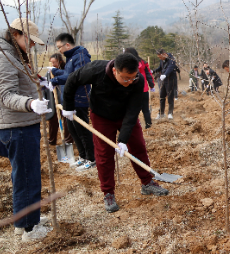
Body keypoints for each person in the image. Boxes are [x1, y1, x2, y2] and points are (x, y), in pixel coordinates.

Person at [61, 52, 169, 213]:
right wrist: (68, 106)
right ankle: (108, 193)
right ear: (115, 71)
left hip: (125, 115)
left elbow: (133, 112)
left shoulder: (137, 81)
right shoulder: (96, 70)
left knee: (138, 146)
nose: (129, 82)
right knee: (104, 154)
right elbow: (72, 80)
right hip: (101, 116)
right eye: (125, 78)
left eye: (132, 78)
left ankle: (147, 182)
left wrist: (123, 139)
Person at [0, 18, 53, 241]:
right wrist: (30, 104)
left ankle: (28, 219)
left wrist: (38, 82)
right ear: (16, 34)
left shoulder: (13, 55)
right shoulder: (4, 57)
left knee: (29, 174)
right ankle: (28, 228)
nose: (32, 45)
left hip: (22, 124)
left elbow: (19, 83)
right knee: (25, 177)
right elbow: (6, 95)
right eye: (30, 41)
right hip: (16, 126)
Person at [49, 33, 95, 171]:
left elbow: (76, 76)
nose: (59, 51)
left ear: (67, 45)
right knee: (73, 131)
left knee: (82, 130)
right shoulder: (70, 58)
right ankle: (82, 157)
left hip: (79, 99)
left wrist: (55, 80)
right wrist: (55, 72)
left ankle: (91, 158)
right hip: (69, 101)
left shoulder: (81, 56)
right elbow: (67, 75)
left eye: (59, 47)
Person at [124, 48, 155, 129]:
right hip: (144, 89)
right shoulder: (143, 62)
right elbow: (149, 74)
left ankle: (136, 126)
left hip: (133, 90)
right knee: (146, 109)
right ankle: (148, 125)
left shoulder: (128, 64)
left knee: (133, 109)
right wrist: (152, 85)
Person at [46, 53, 73, 146]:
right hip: (54, 101)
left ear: (60, 61)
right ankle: (52, 141)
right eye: (51, 62)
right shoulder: (49, 73)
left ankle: (68, 141)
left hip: (64, 100)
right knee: (53, 121)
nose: (52, 64)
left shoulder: (66, 70)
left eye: (54, 62)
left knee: (67, 122)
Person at [154, 49, 178, 120]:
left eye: (160, 57)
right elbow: (160, 68)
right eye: (159, 58)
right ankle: (161, 113)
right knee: (162, 96)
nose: (160, 59)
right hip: (163, 81)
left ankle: (170, 113)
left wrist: (165, 75)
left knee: (170, 96)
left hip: (170, 80)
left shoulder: (172, 59)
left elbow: (170, 68)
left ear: (164, 54)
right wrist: (153, 71)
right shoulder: (162, 60)